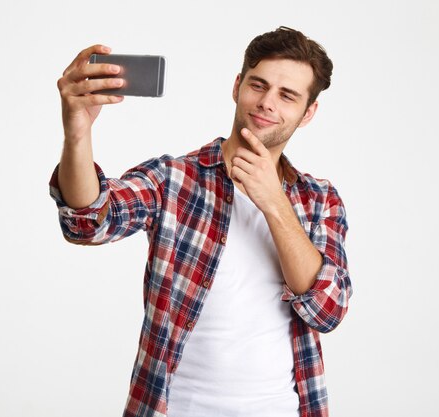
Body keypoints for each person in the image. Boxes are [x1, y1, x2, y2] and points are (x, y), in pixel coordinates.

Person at [50, 26, 352, 417]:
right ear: (237, 86)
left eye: (287, 95)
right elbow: (88, 221)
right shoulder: (174, 179)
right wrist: (77, 132)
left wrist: (273, 202)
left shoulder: (319, 200)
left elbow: (327, 309)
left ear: (307, 113)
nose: (267, 103)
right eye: (258, 85)